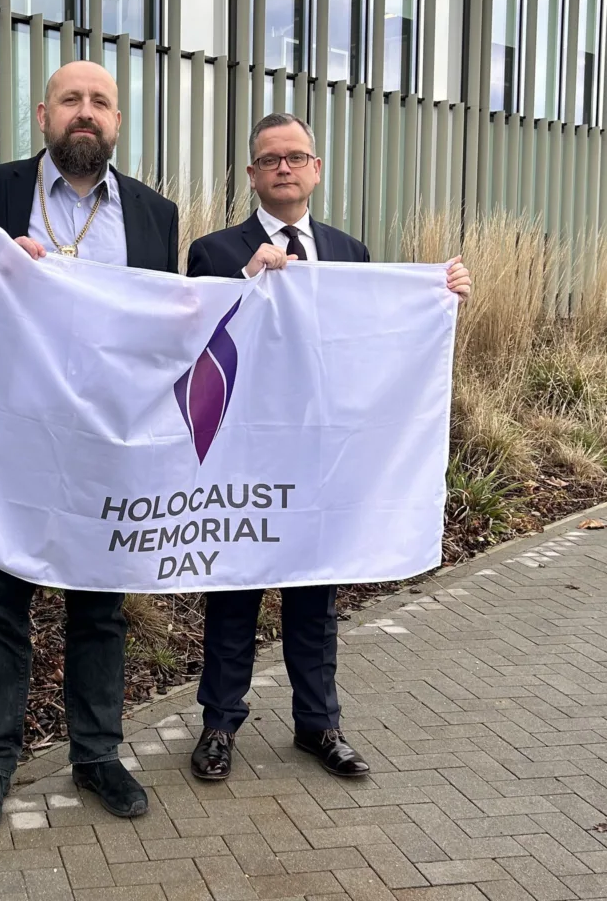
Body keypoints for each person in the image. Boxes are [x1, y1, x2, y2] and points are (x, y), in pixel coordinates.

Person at [0, 60, 179, 832]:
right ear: (44, 114)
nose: (86, 113)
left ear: (118, 122)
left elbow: (170, 325)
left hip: (108, 444)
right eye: (72, 100)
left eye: (101, 102)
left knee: (100, 608)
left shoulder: (155, 214)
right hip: (13, 441)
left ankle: (97, 754)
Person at [185, 111, 471, 781]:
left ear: (316, 169)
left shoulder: (351, 253)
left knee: (316, 597)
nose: (284, 168)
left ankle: (319, 724)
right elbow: (197, 348)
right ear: (252, 175)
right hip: (245, 457)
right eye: (270, 159)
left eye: (296, 156)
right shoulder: (215, 251)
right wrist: (243, 283)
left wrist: (442, 298)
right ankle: (219, 724)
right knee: (235, 593)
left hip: (321, 459)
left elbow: (374, 347)